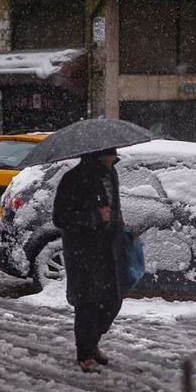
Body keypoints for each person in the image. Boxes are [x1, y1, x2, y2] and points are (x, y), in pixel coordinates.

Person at [52, 147, 126, 372]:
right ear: (101, 155)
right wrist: (94, 216)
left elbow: (114, 209)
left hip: (108, 248)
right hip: (83, 251)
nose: (115, 158)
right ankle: (84, 353)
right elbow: (60, 218)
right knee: (87, 302)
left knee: (112, 298)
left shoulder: (110, 174)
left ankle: (92, 342)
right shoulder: (73, 178)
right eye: (111, 154)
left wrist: (120, 230)